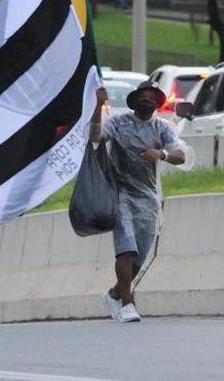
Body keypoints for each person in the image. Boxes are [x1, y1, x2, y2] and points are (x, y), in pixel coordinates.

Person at [90, 80, 185, 323]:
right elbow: (96, 136)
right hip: (119, 193)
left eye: (152, 95)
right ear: (134, 100)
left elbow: (180, 155)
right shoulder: (119, 123)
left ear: (157, 102)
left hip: (147, 198)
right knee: (126, 248)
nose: (147, 98)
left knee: (138, 257)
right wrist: (98, 106)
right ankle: (127, 303)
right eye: (143, 95)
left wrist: (160, 154)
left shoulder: (161, 127)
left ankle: (113, 294)